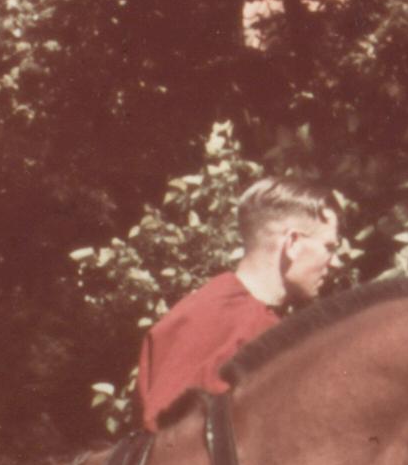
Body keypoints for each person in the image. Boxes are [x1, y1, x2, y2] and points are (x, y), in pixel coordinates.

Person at [136, 175, 340, 430]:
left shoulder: (253, 317)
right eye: (329, 247)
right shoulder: (213, 318)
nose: (335, 262)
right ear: (293, 244)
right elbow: (166, 438)